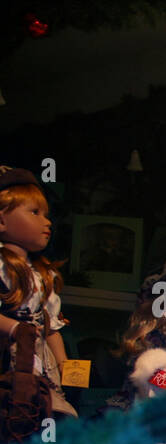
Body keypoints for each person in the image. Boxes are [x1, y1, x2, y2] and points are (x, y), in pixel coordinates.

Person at [0, 165, 76, 424]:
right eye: (35, 212)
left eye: (46, 214)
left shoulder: (44, 274)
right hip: (8, 356)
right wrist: (16, 330)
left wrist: (66, 365)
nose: (47, 222)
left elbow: (50, 328)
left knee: (43, 412)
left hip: (39, 361)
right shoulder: (2, 267)